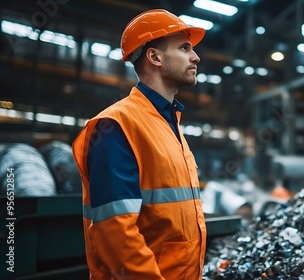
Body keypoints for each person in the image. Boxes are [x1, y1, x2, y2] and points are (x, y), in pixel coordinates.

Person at [72, 9, 207, 280]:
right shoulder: (115, 125)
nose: (196, 57)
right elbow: (115, 232)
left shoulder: (170, 124)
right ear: (154, 57)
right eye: (184, 48)